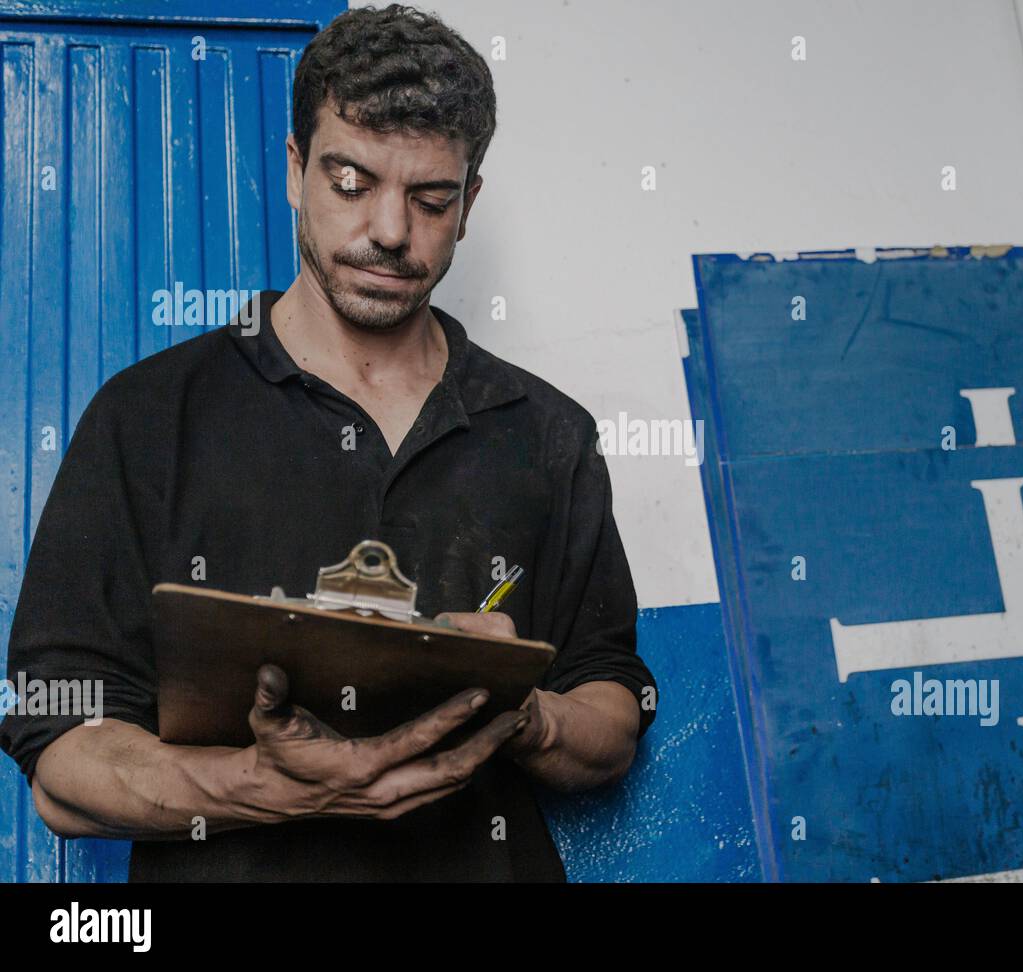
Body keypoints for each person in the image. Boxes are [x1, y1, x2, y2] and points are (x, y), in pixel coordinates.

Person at [0, 3, 656, 882]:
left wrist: (519, 712)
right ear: (294, 168)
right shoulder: (147, 417)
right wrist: (264, 786)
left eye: (430, 199)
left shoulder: (547, 432)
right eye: (351, 182)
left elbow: (609, 710)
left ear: (469, 205)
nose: (391, 230)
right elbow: (62, 758)